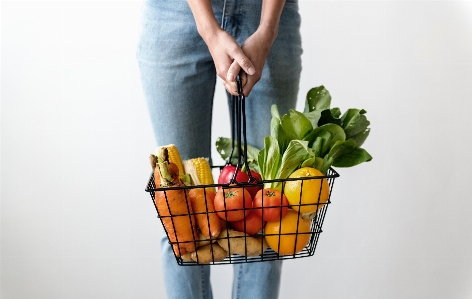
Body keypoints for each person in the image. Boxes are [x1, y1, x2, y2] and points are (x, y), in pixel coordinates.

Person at [137, 0, 302, 298]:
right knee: (179, 216)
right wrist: (208, 28)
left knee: (269, 210)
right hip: (175, 13)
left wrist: (267, 29)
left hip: (267, 13)